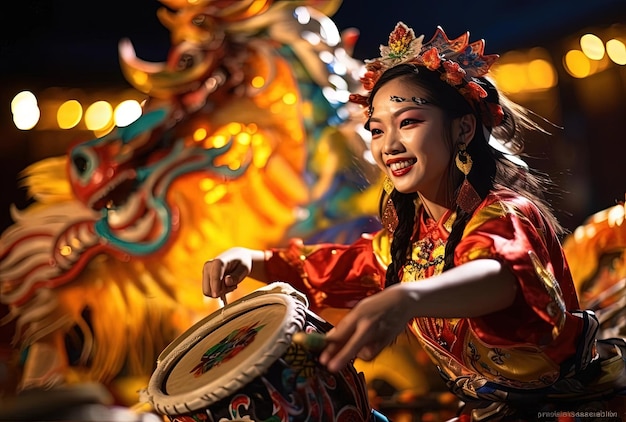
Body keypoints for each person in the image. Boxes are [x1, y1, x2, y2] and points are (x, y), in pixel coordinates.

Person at [202, 22, 626, 421]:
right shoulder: (409, 243)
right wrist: (252, 259)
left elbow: (499, 275)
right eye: (376, 130)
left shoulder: (505, 212)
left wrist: (409, 299)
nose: (390, 146)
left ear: (462, 130)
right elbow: (334, 264)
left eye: (408, 123)